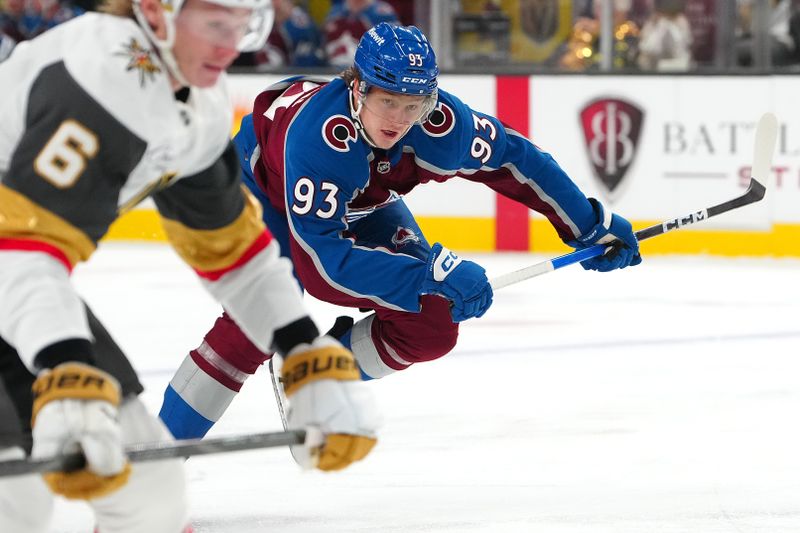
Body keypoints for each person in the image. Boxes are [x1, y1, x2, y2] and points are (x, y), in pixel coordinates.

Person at [159, 22, 642, 441]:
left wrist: (587, 224)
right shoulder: (319, 138)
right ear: (357, 88)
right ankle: (153, 461)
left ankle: (316, 374)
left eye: (414, 104)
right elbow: (322, 267)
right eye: (387, 101)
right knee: (257, 322)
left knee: (432, 322)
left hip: (356, 202)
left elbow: (517, 159)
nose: (399, 119)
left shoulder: (438, 124)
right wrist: (428, 273)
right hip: (255, 191)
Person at [0, 0, 379, 530]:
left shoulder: (196, 100)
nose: (230, 44)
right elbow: (21, 248)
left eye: (242, 25)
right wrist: (64, 364)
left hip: (19, 289)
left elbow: (235, 253)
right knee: (17, 500)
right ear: (156, 11)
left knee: (150, 498)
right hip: (17, 276)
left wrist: (302, 352)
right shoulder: (94, 78)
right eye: (215, 24)